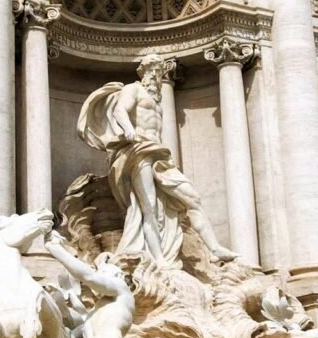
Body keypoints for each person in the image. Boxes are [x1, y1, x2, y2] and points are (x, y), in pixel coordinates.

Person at [77, 53, 232, 270]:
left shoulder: (158, 99)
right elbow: (120, 110)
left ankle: (215, 249)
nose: (156, 76)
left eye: (159, 72)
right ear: (144, 72)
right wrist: (129, 130)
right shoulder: (134, 89)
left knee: (192, 199)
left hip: (159, 154)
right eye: (153, 71)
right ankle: (159, 260)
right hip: (139, 151)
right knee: (148, 206)